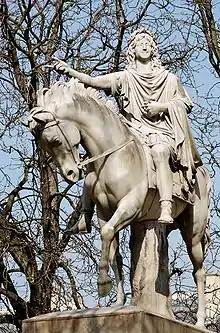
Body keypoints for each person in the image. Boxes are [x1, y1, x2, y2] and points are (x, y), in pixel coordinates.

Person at [52, 27, 202, 224]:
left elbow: (185, 103)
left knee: (160, 152)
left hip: (160, 132)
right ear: (133, 50)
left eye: (149, 44)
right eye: (140, 43)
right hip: (133, 132)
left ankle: (166, 205)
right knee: (98, 156)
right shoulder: (125, 77)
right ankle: (86, 213)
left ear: (154, 50)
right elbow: (94, 81)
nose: (145, 47)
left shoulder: (169, 79)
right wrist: (71, 71)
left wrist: (162, 107)